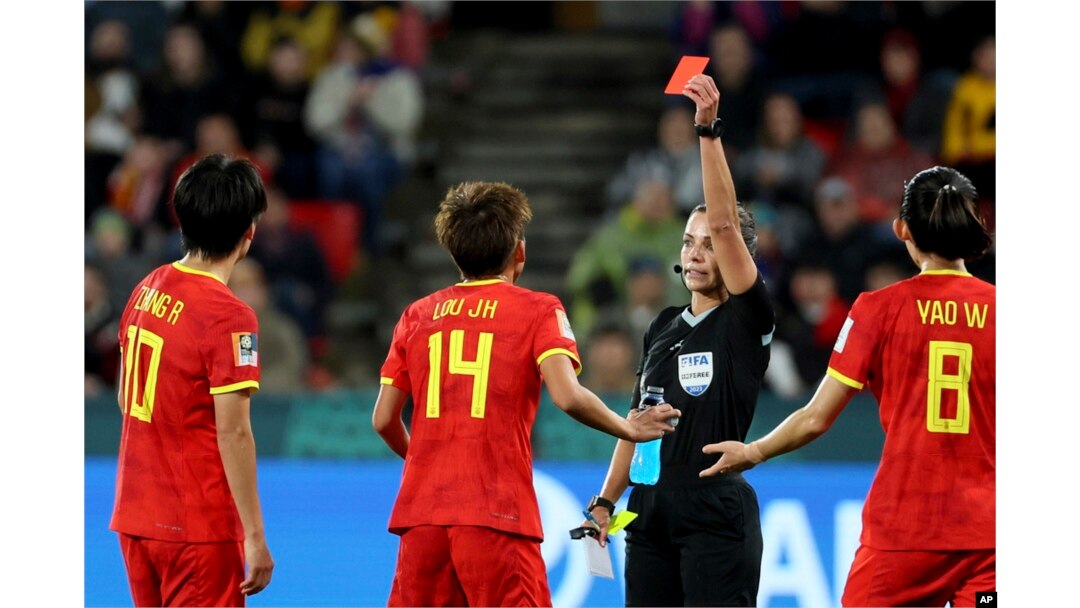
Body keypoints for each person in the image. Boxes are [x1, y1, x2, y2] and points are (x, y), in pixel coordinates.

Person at [371, 181, 681, 607]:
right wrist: (627, 427)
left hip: (420, 517)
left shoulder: (416, 315)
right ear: (520, 251)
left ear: (453, 252)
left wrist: (428, 464)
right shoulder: (538, 310)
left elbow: (383, 420)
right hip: (495, 514)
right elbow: (568, 396)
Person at [705, 165, 995, 607]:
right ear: (976, 225)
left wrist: (754, 451)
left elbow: (816, 417)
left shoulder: (877, 310)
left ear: (901, 229)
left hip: (904, 530)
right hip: (989, 534)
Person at [583, 74, 774, 607]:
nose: (694, 253)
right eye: (688, 242)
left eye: (709, 245)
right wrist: (605, 501)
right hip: (648, 513)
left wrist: (707, 132)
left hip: (715, 512)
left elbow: (727, 223)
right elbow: (635, 422)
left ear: (736, 257)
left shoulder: (746, 319)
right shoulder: (662, 324)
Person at [110, 154, 274, 606]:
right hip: (195, 527)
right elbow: (234, 431)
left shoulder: (148, 286)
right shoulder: (230, 315)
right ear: (249, 233)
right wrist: (255, 535)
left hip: (136, 515)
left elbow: (127, 397)